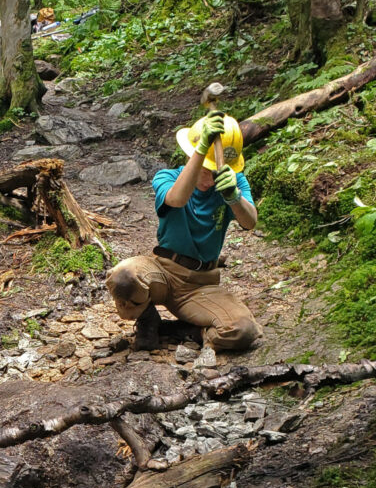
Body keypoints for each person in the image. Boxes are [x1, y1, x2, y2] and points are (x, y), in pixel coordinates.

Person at [105, 112, 262, 354]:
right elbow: (176, 199)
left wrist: (234, 197)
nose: (209, 180)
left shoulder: (233, 182)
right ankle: (148, 319)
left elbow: (250, 222)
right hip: (163, 271)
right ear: (191, 155)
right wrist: (202, 150)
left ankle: (187, 330)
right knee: (122, 277)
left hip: (201, 283)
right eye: (205, 169)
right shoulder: (167, 177)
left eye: (215, 171)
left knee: (243, 329)